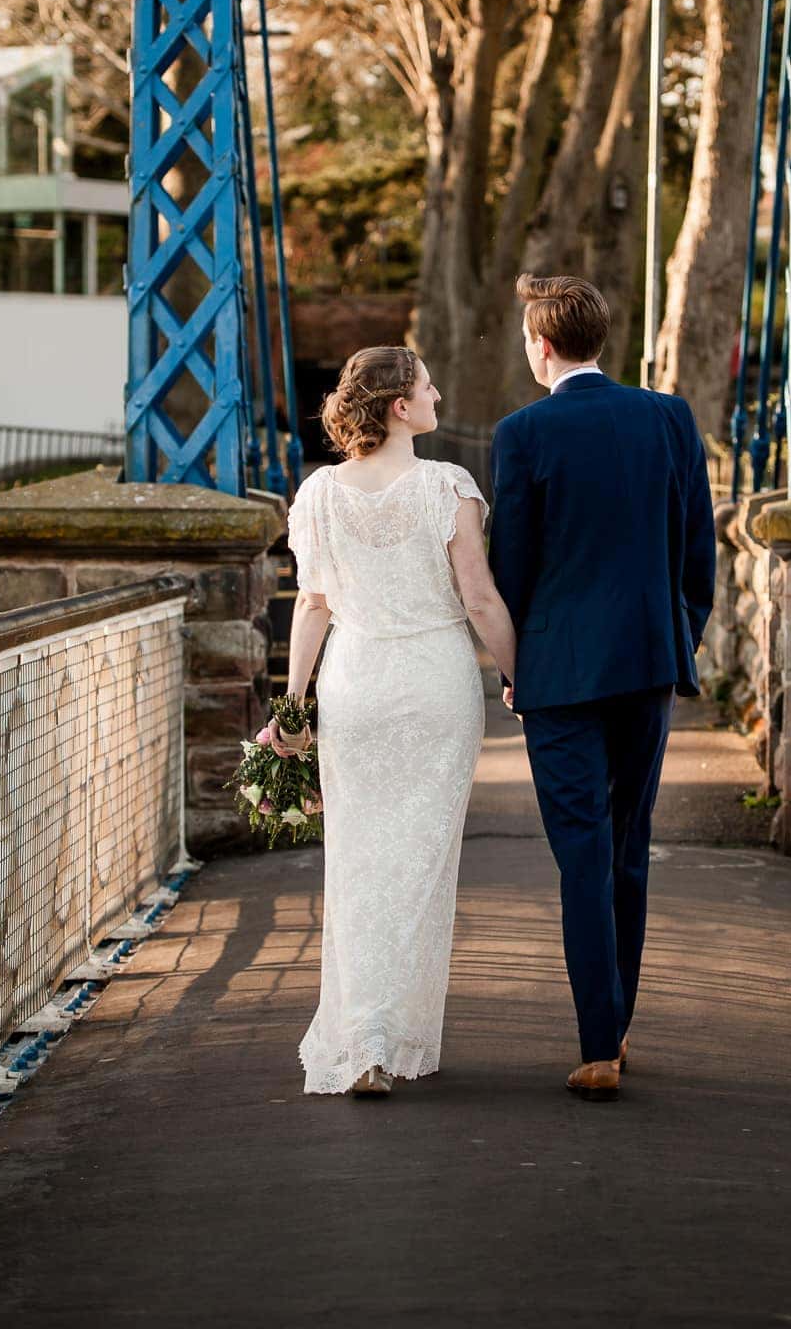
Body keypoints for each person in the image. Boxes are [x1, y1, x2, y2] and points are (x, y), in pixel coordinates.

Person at [488, 273, 717, 1102]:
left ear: (540, 346)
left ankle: (599, 1042)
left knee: (581, 848)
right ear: (597, 340)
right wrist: (674, 640)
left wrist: (518, 669)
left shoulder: (522, 435)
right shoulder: (668, 418)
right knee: (626, 839)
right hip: (647, 666)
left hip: (558, 673)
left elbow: (510, 565)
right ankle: (613, 1026)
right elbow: (698, 554)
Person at [276, 346, 516, 1097]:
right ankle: (387, 1027)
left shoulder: (318, 495)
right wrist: (520, 674)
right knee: (419, 866)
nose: (438, 393)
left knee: (354, 859)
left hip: (354, 685)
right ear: (398, 408)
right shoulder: (446, 487)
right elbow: (478, 598)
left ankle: (365, 1034)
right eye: (425, 386)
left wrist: (293, 700)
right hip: (435, 686)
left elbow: (312, 606)